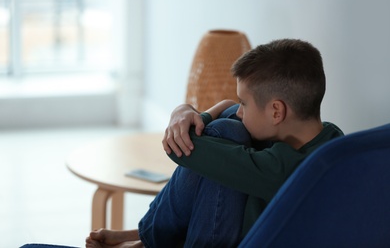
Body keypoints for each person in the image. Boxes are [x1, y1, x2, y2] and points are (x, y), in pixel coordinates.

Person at [23, 38, 344, 248]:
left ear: (276, 110)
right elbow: (228, 109)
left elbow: (183, 149)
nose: (240, 109)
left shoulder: (289, 168)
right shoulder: (327, 139)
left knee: (221, 135)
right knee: (229, 129)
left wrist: (184, 120)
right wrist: (189, 111)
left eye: (246, 103)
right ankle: (141, 239)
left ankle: (145, 240)